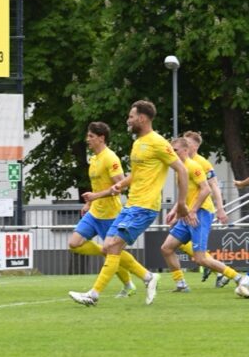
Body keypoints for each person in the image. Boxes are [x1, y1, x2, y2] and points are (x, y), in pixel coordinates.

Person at [69, 100, 189, 306]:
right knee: (108, 247)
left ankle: (93, 295)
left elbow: (182, 170)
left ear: (142, 118)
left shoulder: (158, 142)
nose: (128, 120)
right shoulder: (137, 143)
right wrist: (119, 185)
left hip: (145, 206)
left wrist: (181, 204)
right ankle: (148, 277)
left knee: (112, 245)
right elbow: (136, 174)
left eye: (131, 116)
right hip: (131, 204)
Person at [160, 136, 247, 292]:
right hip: (188, 214)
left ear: (185, 150)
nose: (172, 153)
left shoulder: (194, 166)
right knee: (166, 248)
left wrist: (194, 210)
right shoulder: (179, 169)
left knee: (200, 258)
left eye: (175, 150)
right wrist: (175, 210)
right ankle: (181, 284)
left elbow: (206, 189)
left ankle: (239, 278)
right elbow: (184, 194)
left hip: (200, 214)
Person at [68, 122, 139, 298]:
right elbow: (97, 186)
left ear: (101, 138)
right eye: (88, 136)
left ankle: (140, 279)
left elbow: (120, 186)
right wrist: (89, 203)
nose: (87, 139)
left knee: (113, 252)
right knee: (74, 244)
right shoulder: (94, 159)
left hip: (110, 214)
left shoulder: (110, 158)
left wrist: (96, 196)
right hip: (95, 212)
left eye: (91, 136)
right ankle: (134, 278)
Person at [181, 131, 228, 285]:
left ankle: (224, 272)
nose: (184, 145)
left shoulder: (203, 163)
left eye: (188, 142)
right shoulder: (182, 162)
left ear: (195, 146)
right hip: (188, 210)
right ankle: (211, 265)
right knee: (171, 244)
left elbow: (214, 186)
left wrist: (220, 209)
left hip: (200, 210)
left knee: (196, 252)